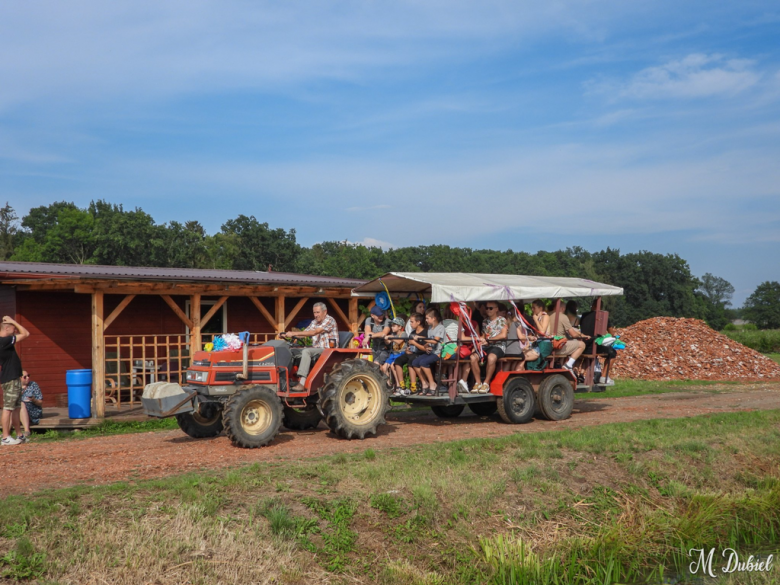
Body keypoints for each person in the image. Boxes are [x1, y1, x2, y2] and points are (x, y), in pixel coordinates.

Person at [281, 303, 338, 391]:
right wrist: (288, 335)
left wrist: (294, 333)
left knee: (306, 351)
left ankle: (302, 383)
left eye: (318, 312)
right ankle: (286, 379)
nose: (316, 315)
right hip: (316, 348)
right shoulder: (314, 322)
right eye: (314, 313)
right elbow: (305, 333)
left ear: (325, 312)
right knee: (291, 350)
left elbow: (314, 332)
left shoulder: (329, 320)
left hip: (327, 350)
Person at [0, 316, 30, 446]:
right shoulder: (4, 340)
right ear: (6, 328)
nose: (15, 330)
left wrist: (12, 323)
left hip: (14, 378)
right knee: (8, 408)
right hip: (10, 378)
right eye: (13, 328)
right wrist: (13, 321)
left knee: (16, 407)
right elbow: (26, 333)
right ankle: (5, 437)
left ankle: (19, 435)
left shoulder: (6, 341)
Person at [466, 302, 508, 394]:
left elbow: (503, 335)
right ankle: (478, 382)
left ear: (496, 309)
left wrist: (489, 340)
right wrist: (480, 342)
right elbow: (484, 335)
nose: (488, 310)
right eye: (487, 308)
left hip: (498, 346)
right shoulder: (485, 321)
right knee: (473, 357)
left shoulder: (502, 320)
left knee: (491, 357)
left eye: (491, 308)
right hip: (487, 346)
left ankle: (486, 382)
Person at [580, 300, 618, 384]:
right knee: (612, 354)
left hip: (583, 344)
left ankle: (584, 374)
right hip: (593, 346)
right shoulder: (602, 317)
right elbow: (611, 332)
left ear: (592, 306)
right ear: (600, 307)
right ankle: (604, 376)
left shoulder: (584, 315)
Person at [410, 308, 445, 396]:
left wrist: (421, 338)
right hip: (431, 351)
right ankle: (424, 383)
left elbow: (435, 341)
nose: (426, 320)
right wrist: (426, 346)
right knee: (415, 362)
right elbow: (429, 342)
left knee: (423, 362)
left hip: (439, 353)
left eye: (427, 318)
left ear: (434, 318)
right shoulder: (429, 328)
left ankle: (432, 383)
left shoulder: (440, 327)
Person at [547, 303, 590, 371]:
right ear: (563, 308)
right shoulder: (563, 317)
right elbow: (573, 334)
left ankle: (561, 365)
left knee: (572, 343)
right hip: (558, 346)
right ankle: (568, 365)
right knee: (582, 344)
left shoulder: (548, 315)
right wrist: (581, 335)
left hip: (548, 344)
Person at [393, 313, 427, 394]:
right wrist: (407, 349)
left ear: (418, 322)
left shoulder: (425, 332)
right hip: (411, 352)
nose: (410, 324)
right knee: (398, 361)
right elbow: (409, 344)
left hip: (420, 353)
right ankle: (402, 386)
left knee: (411, 361)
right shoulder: (412, 333)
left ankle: (413, 386)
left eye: (412, 322)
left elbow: (425, 348)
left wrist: (415, 343)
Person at [382, 318, 408, 393]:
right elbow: (388, 343)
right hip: (393, 354)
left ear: (400, 327)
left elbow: (399, 341)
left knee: (393, 365)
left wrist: (392, 338)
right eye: (392, 326)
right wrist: (386, 339)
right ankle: (388, 384)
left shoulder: (403, 334)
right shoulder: (393, 335)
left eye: (394, 326)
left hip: (401, 354)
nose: (392, 327)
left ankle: (398, 384)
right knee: (384, 368)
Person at [20, 371, 43, 441]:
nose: (28, 378)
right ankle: (6, 433)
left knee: (21, 404)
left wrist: (33, 400)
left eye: (28, 375)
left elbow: (40, 402)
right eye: (25, 377)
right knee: (11, 407)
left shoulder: (33, 385)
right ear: (19, 378)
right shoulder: (15, 387)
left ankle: (27, 430)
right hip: (18, 412)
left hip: (33, 410)